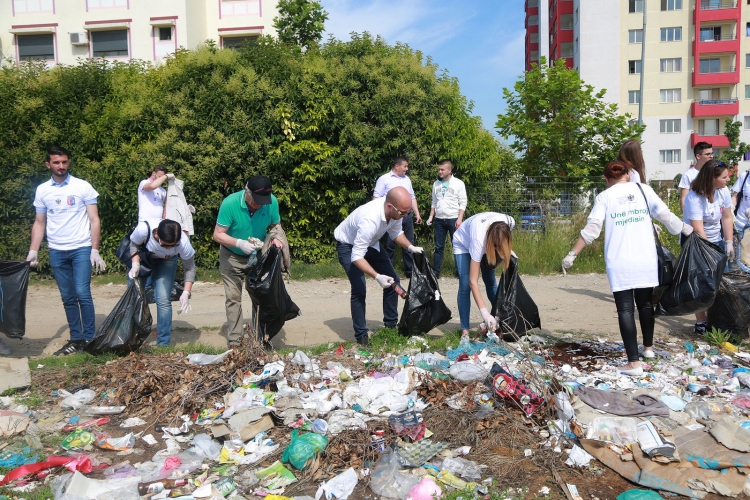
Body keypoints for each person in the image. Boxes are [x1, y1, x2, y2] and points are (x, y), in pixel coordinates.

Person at [562, 161, 693, 376]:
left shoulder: (605, 196)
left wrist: (572, 255)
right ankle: (648, 349)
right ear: (627, 175)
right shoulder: (644, 189)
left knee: (625, 309)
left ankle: (633, 363)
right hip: (645, 258)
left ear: (606, 179)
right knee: (645, 305)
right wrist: (686, 229)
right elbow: (666, 216)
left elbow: (592, 229)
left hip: (619, 260)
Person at [26, 146, 107, 356]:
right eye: (56, 162)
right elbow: (39, 222)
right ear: (48, 164)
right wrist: (33, 250)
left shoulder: (82, 186)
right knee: (68, 297)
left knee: (82, 293)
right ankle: (76, 339)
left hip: (81, 248)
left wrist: (95, 249)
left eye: (64, 162)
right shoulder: (43, 190)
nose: (61, 166)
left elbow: (94, 219)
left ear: (68, 162)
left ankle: (89, 338)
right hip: (57, 251)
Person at [334, 187, 423, 346]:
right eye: (403, 213)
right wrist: (377, 276)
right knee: (359, 288)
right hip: (348, 246)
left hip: (371, 243)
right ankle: (361, 336)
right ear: (390, 206)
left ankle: (390, 326)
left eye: (407, 212)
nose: (405, 215)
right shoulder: (370, 219)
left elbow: (396, 234)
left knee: (393, 281)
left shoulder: (397, 211)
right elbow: (356, 256)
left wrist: (411, 248)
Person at [213, 175, 283, 347]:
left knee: (260, 296)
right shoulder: (230, 203)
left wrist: (276, 237)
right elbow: (217, 234)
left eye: (263, 200)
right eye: (256, 200)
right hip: (231, 255)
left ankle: (259, 338)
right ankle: (235, 341)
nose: (259, 204)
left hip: (257, 256)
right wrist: (239, 243)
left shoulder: (271, 201)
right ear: (247, 191)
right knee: (233, 297)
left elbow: (276, 225)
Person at [683, 159, 734, 335]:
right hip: (697, 242)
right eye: (724, 177)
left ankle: (721, 319)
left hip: (717, 239)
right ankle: (701, 321)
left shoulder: (723, 191)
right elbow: (698, 228)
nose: (728, 180)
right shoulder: (694, 197)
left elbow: (726, 217)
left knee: (722, 282)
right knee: (702, 283)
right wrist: (710, 254)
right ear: (712, 178)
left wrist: (728, 242)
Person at [128, 219, 194, 346]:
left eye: (173, 245)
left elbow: (190, 267)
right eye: (165, 245)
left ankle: (163, 343)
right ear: (157, 233)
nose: (169, 248)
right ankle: (131, 339)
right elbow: (134, 245)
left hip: (167, 262)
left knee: (163, 299)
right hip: (143, 258)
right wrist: (135, 264)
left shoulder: (183, 242)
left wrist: (186, 292)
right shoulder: (143, 230)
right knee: (134, 299)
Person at [452, 212, 515, 337]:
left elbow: (504, 238)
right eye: (497, 247)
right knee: (465, 285)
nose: (499, 250)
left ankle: (501, 318)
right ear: (491, 242)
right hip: (462, 242)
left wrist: (508, 251)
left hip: (485, 237)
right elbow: (473, 281)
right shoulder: (478, 242)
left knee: (490, 281)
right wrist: (484, 313)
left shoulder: (509, 221)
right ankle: (465, 331)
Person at [373, 157, 422, 278]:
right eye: (405, 166)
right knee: (390, 245)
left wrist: (417, 213)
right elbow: (376, 197)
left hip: (407, 216)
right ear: (397, 166)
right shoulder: (384, 179)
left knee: (409, 243)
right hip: (393, 216)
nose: (407, 169)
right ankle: (388, 271)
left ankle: (410, 272)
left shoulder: (407, 179)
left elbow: (412, 197)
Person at [426, 160, 467, 278]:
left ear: (450, 170)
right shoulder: (436, 184)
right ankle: (436, 272)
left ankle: (460, 271)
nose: (440, 171)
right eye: (439, 169)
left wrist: (459, 219)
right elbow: (434, 201)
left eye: (442, 169)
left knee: (457, 246)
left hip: (453, 218)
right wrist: (430, 216)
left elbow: (463, 202)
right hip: (439, 219)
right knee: (438, 246)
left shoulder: (458, 184)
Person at [679, 142, 713, 212]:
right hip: (696, 216)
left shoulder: (715, 173)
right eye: (708, 154)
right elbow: (684, 199)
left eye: (712, 153)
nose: (711, 156)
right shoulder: (688, 175)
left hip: (714, 218)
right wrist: (686, 216)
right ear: (698, 156)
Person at [731, 167, 750, 271]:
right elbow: (735, 196)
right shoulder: (745, 176)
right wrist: (731, 208)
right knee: (738, 262)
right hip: (740, 225)